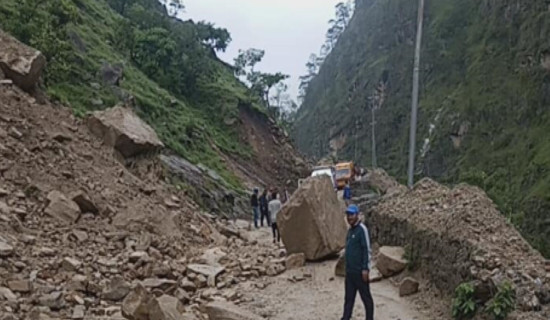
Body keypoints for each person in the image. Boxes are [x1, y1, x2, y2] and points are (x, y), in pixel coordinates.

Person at [341, 204, 374, 320]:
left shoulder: (362, 230)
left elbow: (367, 249)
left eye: (351, 214)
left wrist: (365, 268)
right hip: (350, 272)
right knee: (348, 299)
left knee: (366, 298)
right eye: (348, 215)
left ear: (357, 215)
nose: (349, 217)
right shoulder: (350, 231)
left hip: (360, 272)